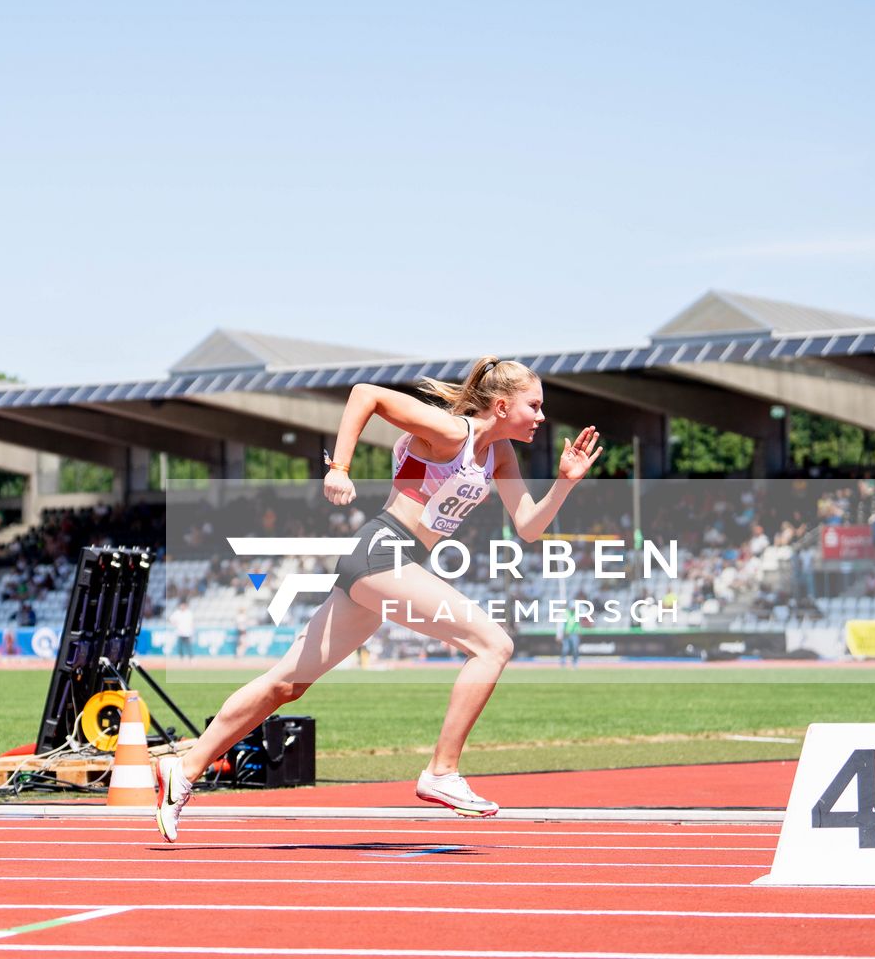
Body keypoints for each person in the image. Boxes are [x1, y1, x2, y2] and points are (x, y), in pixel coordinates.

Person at [153, 357, 600, 842]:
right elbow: (366, 393)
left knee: (286, 684)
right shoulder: (451, 431)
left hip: (391, 565)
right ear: (501, 404)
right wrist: (339, 469)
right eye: (534, 406)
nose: (540, 417)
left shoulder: (501, 456)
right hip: (382, 553)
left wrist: (565, 482)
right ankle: (441, 773)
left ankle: (186, 765)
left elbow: (530, 527)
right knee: (493, 645)